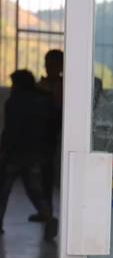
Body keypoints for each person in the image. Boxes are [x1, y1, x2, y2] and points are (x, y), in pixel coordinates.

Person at [0, 70, 56, 240]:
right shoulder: (43, 102)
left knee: (3, 190)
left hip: (15, 154)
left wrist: (4, 150)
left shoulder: (13, 103)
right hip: (35, 153)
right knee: (35, 189)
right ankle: (48, 216)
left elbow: (10, 131)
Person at [36, 49, 63, 220]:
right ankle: (46, 211)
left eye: (54, 64)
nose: (49, 67)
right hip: (44, 137)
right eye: (48, 64)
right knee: (44, 175)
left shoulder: (65, 86)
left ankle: (48, 211)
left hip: (57, 135)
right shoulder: (40, 86)